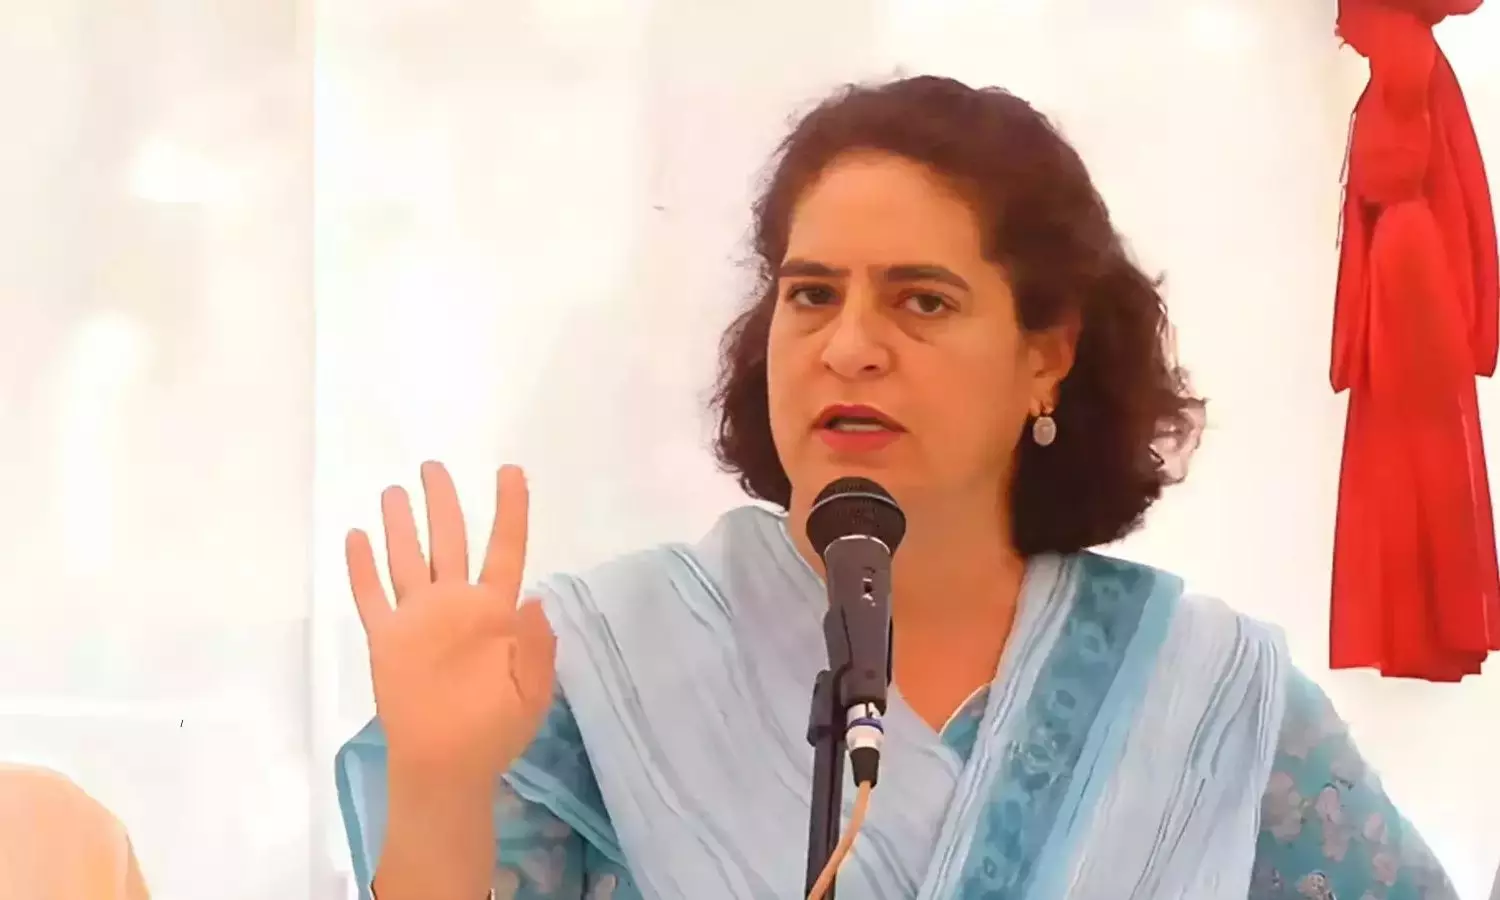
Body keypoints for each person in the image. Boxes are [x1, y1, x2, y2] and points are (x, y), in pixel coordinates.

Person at [335, 77, 1459, 900]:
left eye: (922, 301)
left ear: (1047, 356)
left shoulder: (1202, 694)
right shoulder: (598, 665)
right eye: (812, 295)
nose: (849, 347)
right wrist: (439, 787)